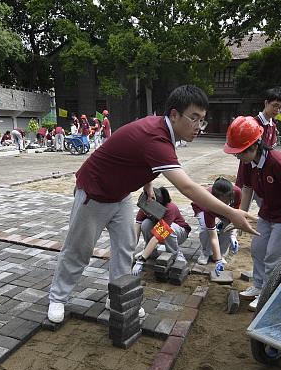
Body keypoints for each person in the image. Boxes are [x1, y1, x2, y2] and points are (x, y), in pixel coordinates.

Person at [46, 85, 257, 323]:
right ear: (174, 115)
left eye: (203, 120)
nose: (199, 127)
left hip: (121, 195)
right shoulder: (156, 137)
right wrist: (231, 212)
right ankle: (58, 298)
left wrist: (147, 185)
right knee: (79, 250)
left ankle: (118, 298)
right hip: (94, 193)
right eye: (194, 118)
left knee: (125, 248)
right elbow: (187, 187)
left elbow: (139, 159)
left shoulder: (165, 132)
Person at [226, 116, 281, 311]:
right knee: (258, 249)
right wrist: (241, 215)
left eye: (239, 153)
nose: (238, 157)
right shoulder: (247, 163)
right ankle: (259, 285)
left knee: (274, 256)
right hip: (267, 210)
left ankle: (268, 294)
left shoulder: (278, 162)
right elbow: (247, 188)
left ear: (254, 146)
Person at [132, 187, 191, 273]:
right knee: (145, 224)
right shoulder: (146, 205)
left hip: (179, 234)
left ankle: (174, 254)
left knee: (168, 229)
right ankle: (150, 251)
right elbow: (136, 228)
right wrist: (130, 250)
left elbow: (157, 237)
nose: (144, 212)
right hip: (160, 233)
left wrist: (141, 260)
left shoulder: (169, 209)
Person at [192, 177, 242, 266]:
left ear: (231, 195)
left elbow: (235, 216)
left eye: (227, 200)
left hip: (220, 210)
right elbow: (213, 235)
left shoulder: (237, 192)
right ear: (215, 198)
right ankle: (206, 253)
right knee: (205, 230)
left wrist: (233, 235)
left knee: (228, 228)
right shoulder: (207, 203)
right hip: (202, 208)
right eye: (221, 201)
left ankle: (221, 254)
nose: (225, 204)